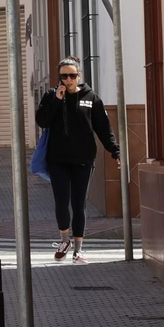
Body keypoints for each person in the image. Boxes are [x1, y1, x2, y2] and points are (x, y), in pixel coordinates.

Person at [36, 58, 120, 264]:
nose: (68, 80)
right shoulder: (51, 96)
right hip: (58, 159)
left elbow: (103, 128)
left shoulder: (91, 98)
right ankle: (64, 240)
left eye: (72, 75)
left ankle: (78, 250)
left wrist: (115, 151)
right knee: (61, 201)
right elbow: (42, 121)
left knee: (79, 202)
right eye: (64, 76)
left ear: (79, 76)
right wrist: (57, 100)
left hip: (83, 159)